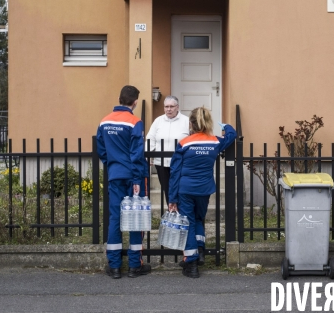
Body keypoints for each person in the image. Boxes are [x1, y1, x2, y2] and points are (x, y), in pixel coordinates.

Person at [168, 107, 237, 278]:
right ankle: (200, 249)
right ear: (208, 123)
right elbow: (231, 135)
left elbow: (175, 171)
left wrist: (172, 197)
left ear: (191, 123)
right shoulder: (214, 141)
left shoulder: (184, 143)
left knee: (188, 222)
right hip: (204, 189)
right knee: (199, 219)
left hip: (185, 189)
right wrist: (227, 126)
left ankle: (191, 263)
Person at [96, 85, 151, 280]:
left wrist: (111, 165)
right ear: (135, 102)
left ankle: (115, 266)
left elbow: (101, 149)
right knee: (136, 217)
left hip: (115, 174)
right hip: (133, 176)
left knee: (115, 218)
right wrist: (137, 178)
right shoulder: (135, 122)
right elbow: (137, 153)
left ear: (120, 99)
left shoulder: (104, 121)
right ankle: (135, 265)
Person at [145, 96, 189, 205]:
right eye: (166, 107)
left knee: (180, 189)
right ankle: (172, 213)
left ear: (177, 107)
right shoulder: (158, 121)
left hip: (180, 162)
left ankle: (181, 212)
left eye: (171, 106)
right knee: (167, 189)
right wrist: (148, 154)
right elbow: (151, 138)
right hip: (161, 163)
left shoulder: (186, 121)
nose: (169, 109)